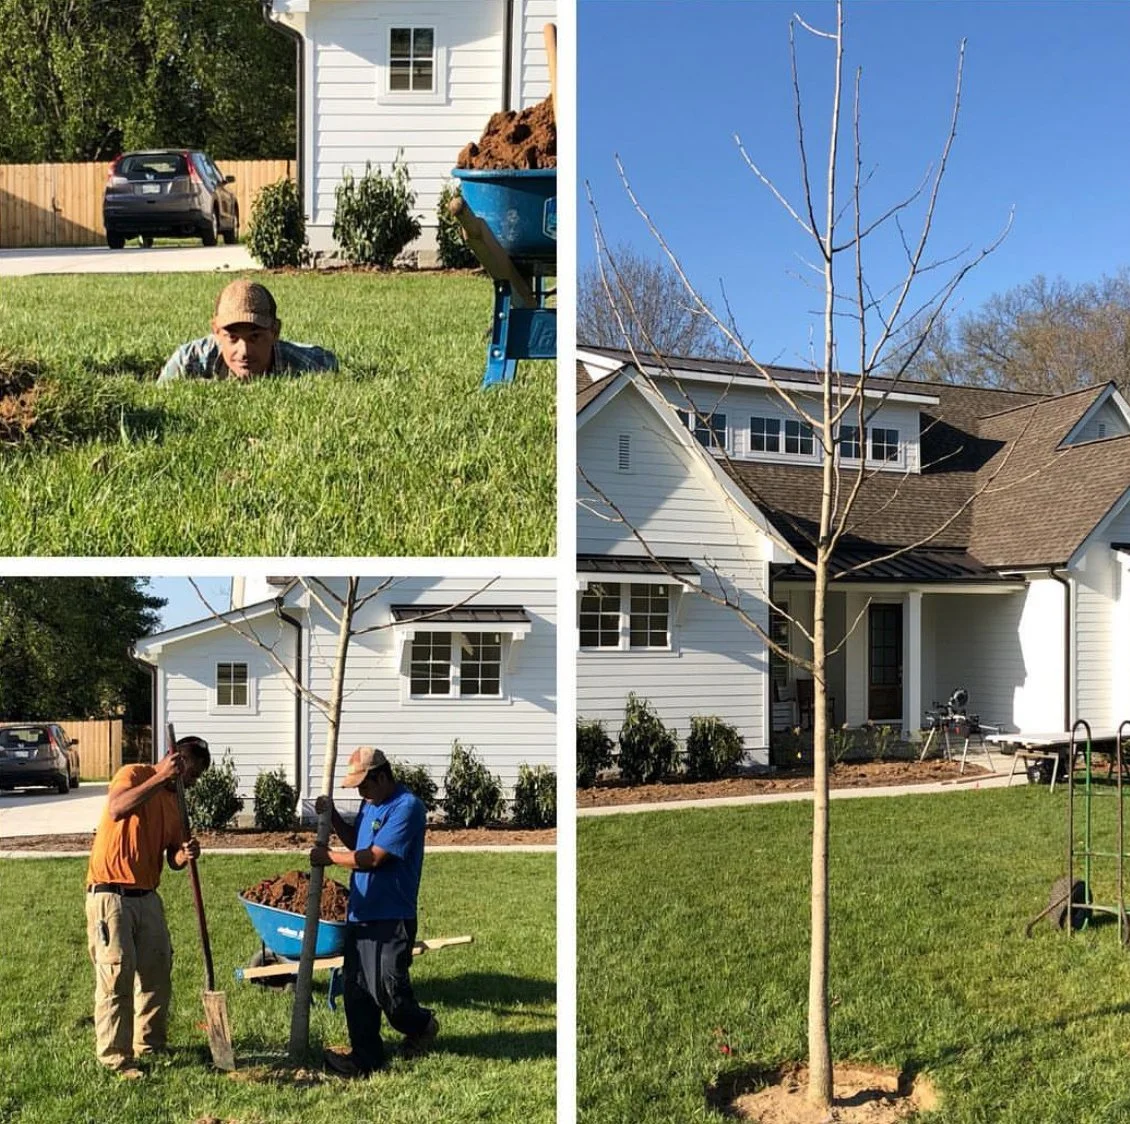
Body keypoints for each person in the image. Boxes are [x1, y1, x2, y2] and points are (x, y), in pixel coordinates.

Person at [85, 736, 211, 1078]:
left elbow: (172, 856)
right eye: (191, 775)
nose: (191, 783)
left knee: (157, 971)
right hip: (111, 894)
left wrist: (184, 854)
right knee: (116, 976)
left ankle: (150, 1044)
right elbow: (117, 808)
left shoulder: (175, 804)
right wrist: (159, 778)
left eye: (195, 779)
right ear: (175, 761)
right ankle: (116, 1057)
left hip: (147, 897)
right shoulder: (135, 774)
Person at [311, 745, 438, 1076]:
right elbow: (357, 842)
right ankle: (365, 1057)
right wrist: (334, 816)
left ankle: (422, 1025)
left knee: (389, 990)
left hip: (391, 916)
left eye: (364, 786)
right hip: (361, 914)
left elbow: (374, 858)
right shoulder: (372, 805)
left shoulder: (407, 807)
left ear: (381, 777)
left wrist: (329, 858)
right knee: (357, 990)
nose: (362, 794)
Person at [158, 279, 339, 382]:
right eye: (233, 338)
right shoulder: (189, 361)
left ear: (275, 331)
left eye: (255, 337)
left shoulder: (310, 365)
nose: (244, 351)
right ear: (216, 332)